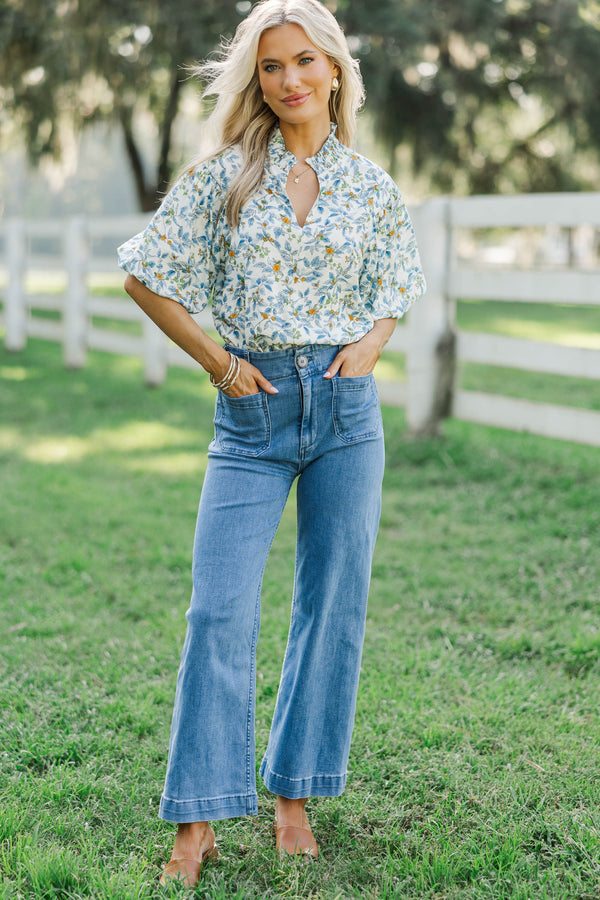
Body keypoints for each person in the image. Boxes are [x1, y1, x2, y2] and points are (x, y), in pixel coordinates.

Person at [118, 0, 425, 886]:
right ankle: (198, 817)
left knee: (333, 604)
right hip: (250, 414)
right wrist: (219, 363)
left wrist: (369, 346)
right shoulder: (224, 178)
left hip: (343, 414)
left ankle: (293, 793)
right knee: (218, 609)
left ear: (334, 69)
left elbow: (395, 279)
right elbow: (145, 275)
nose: (288, 80)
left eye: (302, 62)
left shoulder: (370, 185)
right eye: (270, 67)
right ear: (257, 80)